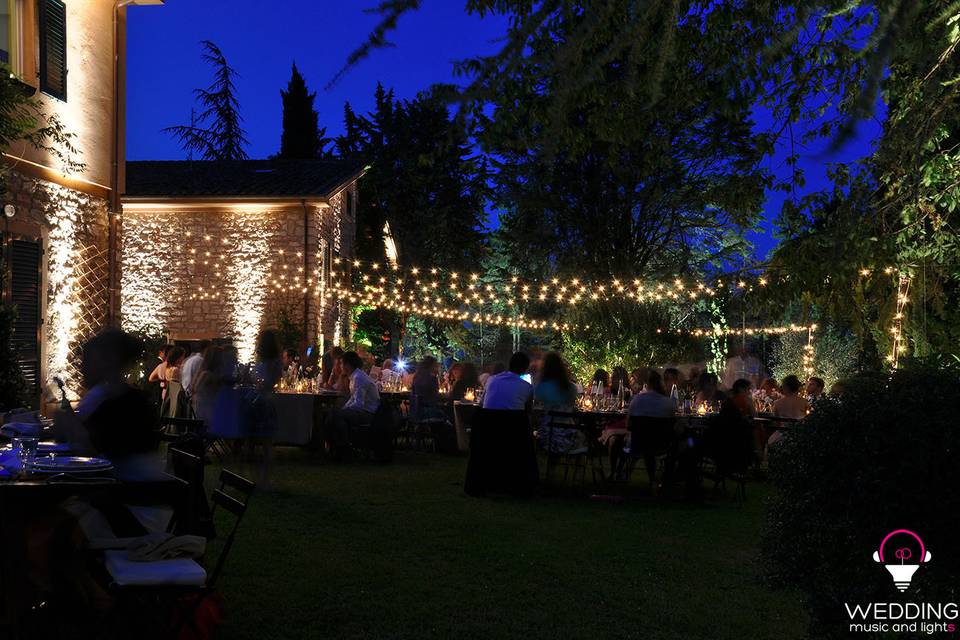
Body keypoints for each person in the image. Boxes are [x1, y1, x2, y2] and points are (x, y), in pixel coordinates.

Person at [326, 351, 381, 457]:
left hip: (368, 414)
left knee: (334, 415)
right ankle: (340, 447)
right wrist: (343, 410)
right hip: (365, 411)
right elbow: (353, 399)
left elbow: (358, 404)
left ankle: (340, 447)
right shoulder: (355, 376)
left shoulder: (358, 378)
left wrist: (343, 411)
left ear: (347, 365)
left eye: (341, 363)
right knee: (335, 415)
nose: (340, 366)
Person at [534, 353, 583, 455]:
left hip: (548, 438)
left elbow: (537, 407)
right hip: (570, 438)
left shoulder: (541, 388)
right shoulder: (572, 388)